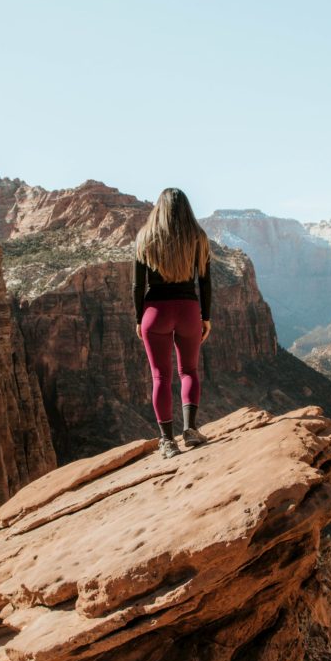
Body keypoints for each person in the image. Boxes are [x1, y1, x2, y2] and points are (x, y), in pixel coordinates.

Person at [132, 187, 212, 459]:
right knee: (188, 371)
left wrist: (138, 318)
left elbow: (137, 285)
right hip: (188, 309)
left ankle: (167, 442)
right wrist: (206, 317)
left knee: (160, 377)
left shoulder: (145, 237)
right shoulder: (198, 237)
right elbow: (205, 281)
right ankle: (190, 430)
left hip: (154, 312)